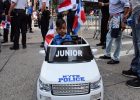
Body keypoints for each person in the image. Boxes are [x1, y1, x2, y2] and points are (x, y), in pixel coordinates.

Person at [99, 0, 130, 64]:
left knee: (117, 39)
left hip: (118, 17)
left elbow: (127, 5)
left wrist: (123, 21)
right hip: (113, 17)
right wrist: (110, 19)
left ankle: (116, 58)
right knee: (109, 36)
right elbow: (112, 6)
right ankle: (107, 54)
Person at [122, 0, 140, 88]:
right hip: (135, 11)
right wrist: (130, 13)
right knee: (136, 44)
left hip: (138, 10)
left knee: (139, 44)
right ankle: (135, 69)